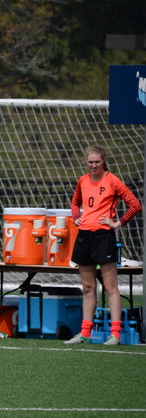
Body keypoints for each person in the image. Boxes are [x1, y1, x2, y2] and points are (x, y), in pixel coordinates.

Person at [64, 145, 141, 345]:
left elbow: (135, 205)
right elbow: (75, 202)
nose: (94, 165)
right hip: (84, 237)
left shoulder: (113, 180)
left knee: (110, 287)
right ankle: (85, 333)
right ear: (86, 162)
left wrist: (117, 223)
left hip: (103, 237)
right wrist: (76, 216)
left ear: (103, 161)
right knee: (88, 287)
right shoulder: (82, 180)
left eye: (97, 162)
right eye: (90, 162)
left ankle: (115, 334)